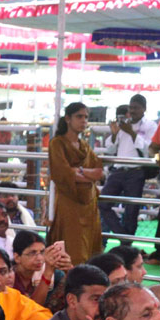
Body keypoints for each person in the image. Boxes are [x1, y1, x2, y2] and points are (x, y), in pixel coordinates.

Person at [47, 102, 103, 265]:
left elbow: (99, 171)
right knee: (71, 250)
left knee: (90, 250)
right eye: (79, 116)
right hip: (69, 203)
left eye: (86, 117)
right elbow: (61, 173)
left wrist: (79, 171)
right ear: (68, 119)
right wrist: (88, 174)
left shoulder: (85, 146)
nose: (83, 121)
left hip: (89, 205)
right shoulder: (57, 143)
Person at [99, 98, 151, 241]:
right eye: (131, 108)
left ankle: (125, 246)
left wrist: (132, 133)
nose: (132, 111)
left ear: (144, 109)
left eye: (136, 108)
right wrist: (115, 133)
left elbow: (149, 149)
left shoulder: (150, 126)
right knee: (103, 203)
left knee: (131, 211)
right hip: (118, 170)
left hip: (136, 171)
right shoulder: (123, 125)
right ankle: (125, 238)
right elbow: (110, 149)